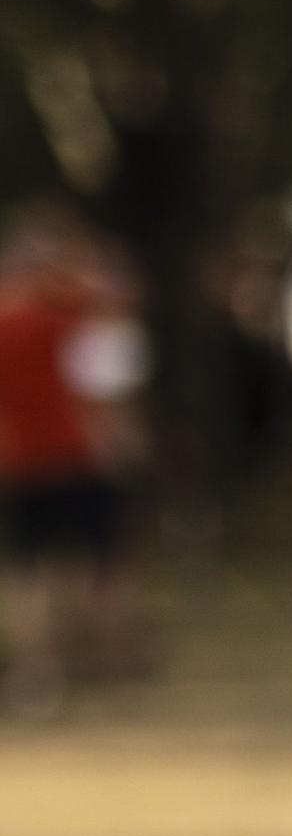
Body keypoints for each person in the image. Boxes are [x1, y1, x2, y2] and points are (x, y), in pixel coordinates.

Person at [0, 211, 151, 716]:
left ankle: (39, 672)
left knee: (31, 571)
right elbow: (106, 397)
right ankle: (104, 662)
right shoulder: (82, 320)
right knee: (99, 564)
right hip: (80, 457)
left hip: (21, 461)